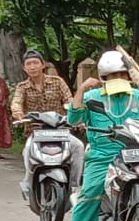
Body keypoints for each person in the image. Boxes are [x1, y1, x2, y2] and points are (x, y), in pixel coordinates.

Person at [52, 51, 139, 221]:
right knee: (90, 192)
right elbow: (74, 118)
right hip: (103, 155)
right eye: (114, 75)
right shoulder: (93, 97)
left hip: (137, 151)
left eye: (123, 73)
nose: (119, 77)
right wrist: (81, 89)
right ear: (104, 77)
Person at [11, 49, 84, 195]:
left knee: (78, 146)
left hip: (60, 132)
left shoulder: (58, 82)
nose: (32, 66)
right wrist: (17, 112)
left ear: (42, 65)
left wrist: (77, 118)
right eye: (29, 64)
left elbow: (69, 101)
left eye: (35, 63)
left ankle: (75, 185)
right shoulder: (22, 87)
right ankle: (28, 182)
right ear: (24, 68)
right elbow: (16, 101)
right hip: (35, 132)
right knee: (27, 152)